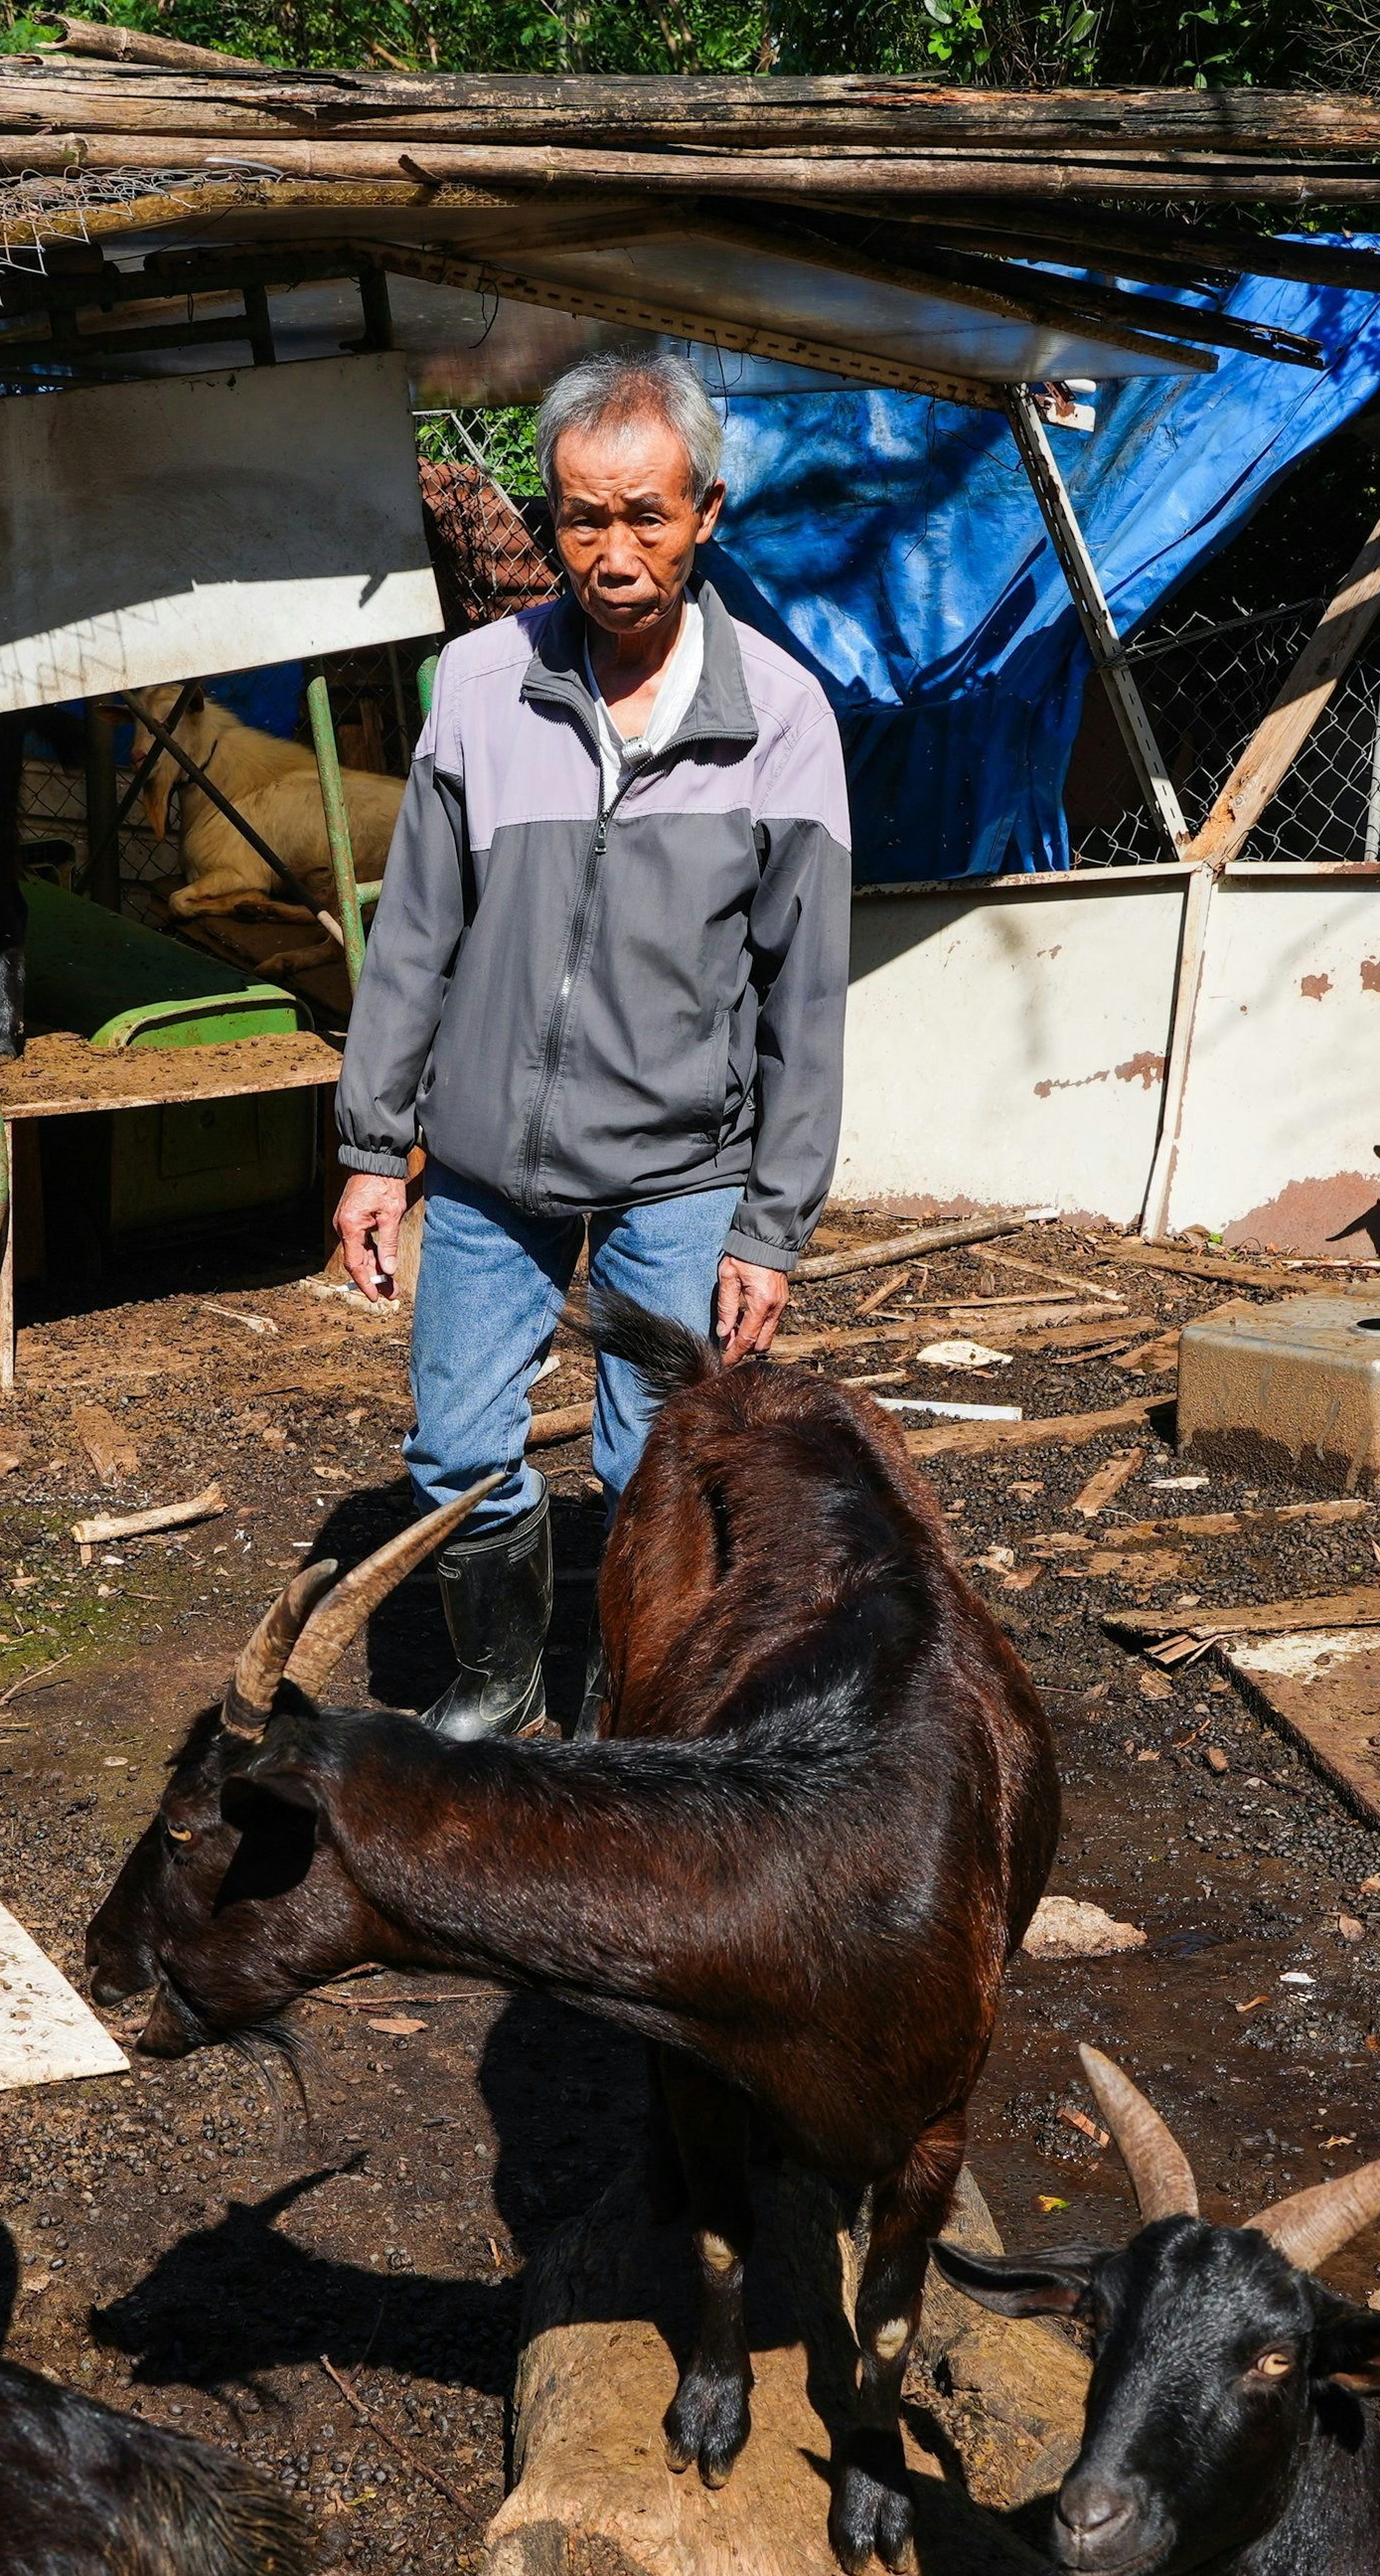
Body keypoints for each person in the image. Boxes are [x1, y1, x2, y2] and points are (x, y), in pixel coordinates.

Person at [329, 348, 854, 1738]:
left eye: (646, 517)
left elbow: (806, 999)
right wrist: (375, 1147)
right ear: (548, 517)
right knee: (452, 1448)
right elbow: (414, 939)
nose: (613, 552)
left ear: (707, 514)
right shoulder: (479, 686)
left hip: (682, 1174)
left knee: (658, 1464)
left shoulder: (784, 720)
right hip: (494, 1165)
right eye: (582, 517)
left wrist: (772, 1227)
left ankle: (636, 1704)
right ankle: (500, 1678)